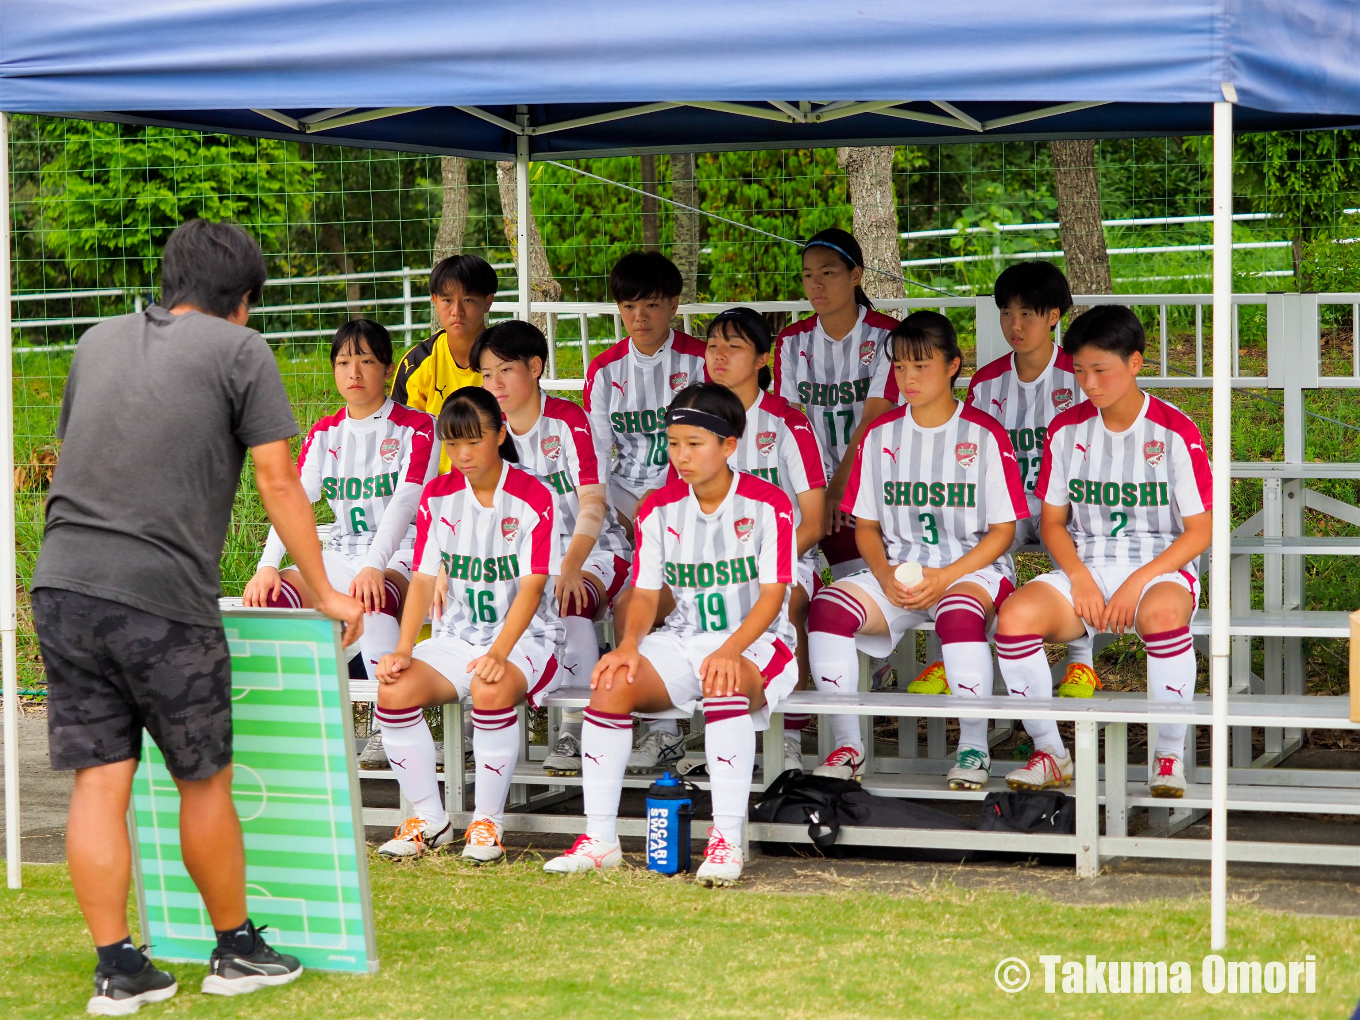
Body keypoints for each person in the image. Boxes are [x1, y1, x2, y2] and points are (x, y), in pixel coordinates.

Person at [30, 219, 363, 1013]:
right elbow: (278, 480)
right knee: (202, 778)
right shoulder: (241, 351)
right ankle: (235, 949)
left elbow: (85, 451)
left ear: (170, 278)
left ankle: (118, 968)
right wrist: (325, 592)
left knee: (99, 780)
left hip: (61, 583)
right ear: (242, 300)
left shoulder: (95, 342)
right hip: (161, 596)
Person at [543, 384, 798, 886]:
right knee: (611, 683)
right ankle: (600, 840)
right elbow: (645, 593)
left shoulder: (769, 503)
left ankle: (726, 840)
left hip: (757, 641)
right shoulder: (658, 506)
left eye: (694, 444)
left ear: (728, 445)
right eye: (674, 443)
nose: (681, 455)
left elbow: (773, 597)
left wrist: (730, 649)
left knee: (724, 683)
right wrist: (628, 646)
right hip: (683, 638)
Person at [995, 305, 1211, 797]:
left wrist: (1138, 580)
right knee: (1015, 617)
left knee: (1162, 616)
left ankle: (1168, 755)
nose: (1089, 384)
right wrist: (1079, 577)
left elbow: (1199, 531)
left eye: (1100, 370)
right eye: (1079, 371)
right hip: (1087, 567)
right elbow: (1052, 523)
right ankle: (1050, 753)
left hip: (1159, 570)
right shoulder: (1066, 430)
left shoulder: (1175, 431)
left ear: (1135, 362)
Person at [805, 312, 1028, 787]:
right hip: (900, 571)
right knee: (827, 608)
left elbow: (1002, 532)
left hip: (972, 570)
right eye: (900, 366)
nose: (908, 377)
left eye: (921, 365)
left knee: (959, 615)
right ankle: (849, 747)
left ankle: (973, 749)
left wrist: (945, 577)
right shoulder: (880, 433)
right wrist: (884, 575)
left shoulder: (984, 434)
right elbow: (866, 527)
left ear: (952, 365)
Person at [373, 387, 564, 861]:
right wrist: (403, 647)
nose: (462, 454)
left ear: (500, 434)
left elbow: (533, 587)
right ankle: (430, 819)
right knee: (393, 690)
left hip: (528, 639)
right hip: (457, 636)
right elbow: (422, 579)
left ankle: (487, 823)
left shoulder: (534, 495)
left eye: (473, 440)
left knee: (489, 687)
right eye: (452, 442)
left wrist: (499, 653)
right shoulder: (438, 495)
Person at [472, 320, 632, 777]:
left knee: (569, 598)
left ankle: (575, 728)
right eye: (486, 374)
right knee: (481, 600)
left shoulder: (568, 421)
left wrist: (571, 564)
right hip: (524, 558)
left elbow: (593, 504)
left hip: (593, 550)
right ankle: (475, 719)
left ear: (536, 367)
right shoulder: (488, 429)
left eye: (505, 370)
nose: (495, 383)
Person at [242, 319, 437, 688]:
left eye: (366, 361)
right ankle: (310, 706)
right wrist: (267, 564)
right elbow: (293, 502)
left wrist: (374, 565)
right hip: (342, 555)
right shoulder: (323, 434)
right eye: (344, 363)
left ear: (388, 369)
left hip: (402, 555)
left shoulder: (420, 427)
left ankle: (387, 713)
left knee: (373, 598)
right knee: (269, 597)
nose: (354, 373)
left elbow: (404, 504)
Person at [948, 260, 1097, 698]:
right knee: (966, 542)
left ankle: (1081, 663)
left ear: (1053, 316)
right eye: (1007, 312)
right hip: (1006, 504)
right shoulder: (986, 382)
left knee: (1072, 544)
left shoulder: (1080, 374)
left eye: (1027, 313)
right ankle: (955, 655)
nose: (1015, 325)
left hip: (1065, 504)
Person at [584, 250, 708, 772]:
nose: (640, 316)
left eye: (652, 304)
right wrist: (617, 508)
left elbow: (711, 446)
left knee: (665, 597)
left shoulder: (701, 360)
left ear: (674, 305)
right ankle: (647, 724)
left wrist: (663, 510)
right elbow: (596, 456)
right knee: (623, 602)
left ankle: (672, 724)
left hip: (689, 504)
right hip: (622, 508)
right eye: (629, 305)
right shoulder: (604, 369)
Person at [699, 307, 826, 772]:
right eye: (713, 345)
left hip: (787, 560)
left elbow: (814, 520)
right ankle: (670, 731)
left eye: (734, 346)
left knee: (786, 604)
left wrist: (763, 566)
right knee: (648, 602)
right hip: (710, 565)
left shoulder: (788, 422)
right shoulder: (696, 422)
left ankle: (789, 734)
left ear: (760, 359)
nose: (719, 355)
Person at [772, 228, 899, 579]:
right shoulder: (791, 341)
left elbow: (874, 417)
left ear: (855, 275)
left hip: (870, 474)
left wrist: (837, 489)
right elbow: (789, 420)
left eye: (827, 273)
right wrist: (817, 489)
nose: (816, 285)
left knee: (859, 567)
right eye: (807, 275)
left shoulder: (887, 335)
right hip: (814, 478)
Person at [392, 254, 498, 473]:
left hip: (495, 478)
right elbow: (399, 435)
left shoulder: (505, 359)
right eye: (447, 300)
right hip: (433, 483)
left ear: (488, 302)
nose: (456, 311)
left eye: (468, 300)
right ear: (434, 300)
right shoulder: (417, 363)